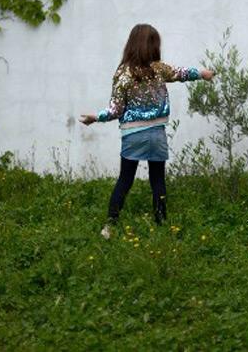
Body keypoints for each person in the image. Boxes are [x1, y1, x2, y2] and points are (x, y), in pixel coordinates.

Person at [80, 24, 214, 237]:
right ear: (153, 45)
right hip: (157, 135)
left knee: (125, 179)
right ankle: (161, 224)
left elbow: (116, 109)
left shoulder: (123, 73)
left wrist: (96, 117)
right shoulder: (159, 69)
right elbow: (181, 73)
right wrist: (202, 73)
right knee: (158, 180)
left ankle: (110, 224)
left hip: (133, 135)